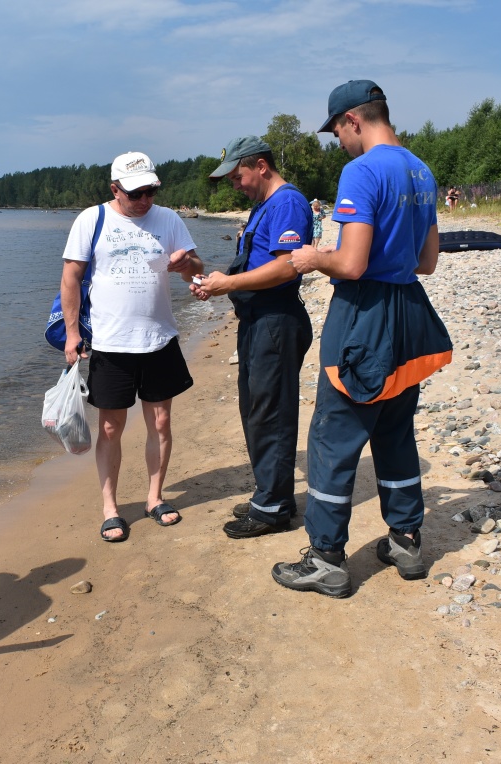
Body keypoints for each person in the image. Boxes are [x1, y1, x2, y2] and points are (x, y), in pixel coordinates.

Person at [272, 80, 453, 598]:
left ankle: (327, 558)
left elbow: (350, 263)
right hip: (408, 314)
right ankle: (406, 540)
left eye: (337, 133)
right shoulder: (421, 170)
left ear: (354, 119)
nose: (340, 143)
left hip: (364, 316)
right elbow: (427, 262)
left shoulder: (363, 170)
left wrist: (311, 258)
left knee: (335, 435)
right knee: (395, 430)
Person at [60, 151, 204, 542]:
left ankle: (154, 498)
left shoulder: (169, 219)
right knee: (110, 427)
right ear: (115, 189)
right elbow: (71, 278)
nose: (144, 200)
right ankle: (111, 507)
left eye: (151, 191)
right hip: (111, 342)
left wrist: (186, 265)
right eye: (136, 193)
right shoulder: (92, 219)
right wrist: (73, 335)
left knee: (160, 422)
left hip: (159, 338)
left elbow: (197, 267)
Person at [190, 136, 313, 539]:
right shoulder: (264, 206)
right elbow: (256, 260)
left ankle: (274, 508)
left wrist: (229, 284)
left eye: (237, 176)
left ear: (260, 165)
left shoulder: (288, 203)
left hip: (276, 321)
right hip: (258, 321)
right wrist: (217, 282)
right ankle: (270, 493)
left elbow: (286, 268)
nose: (234, 185)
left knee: (271, 413)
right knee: (257, 409)